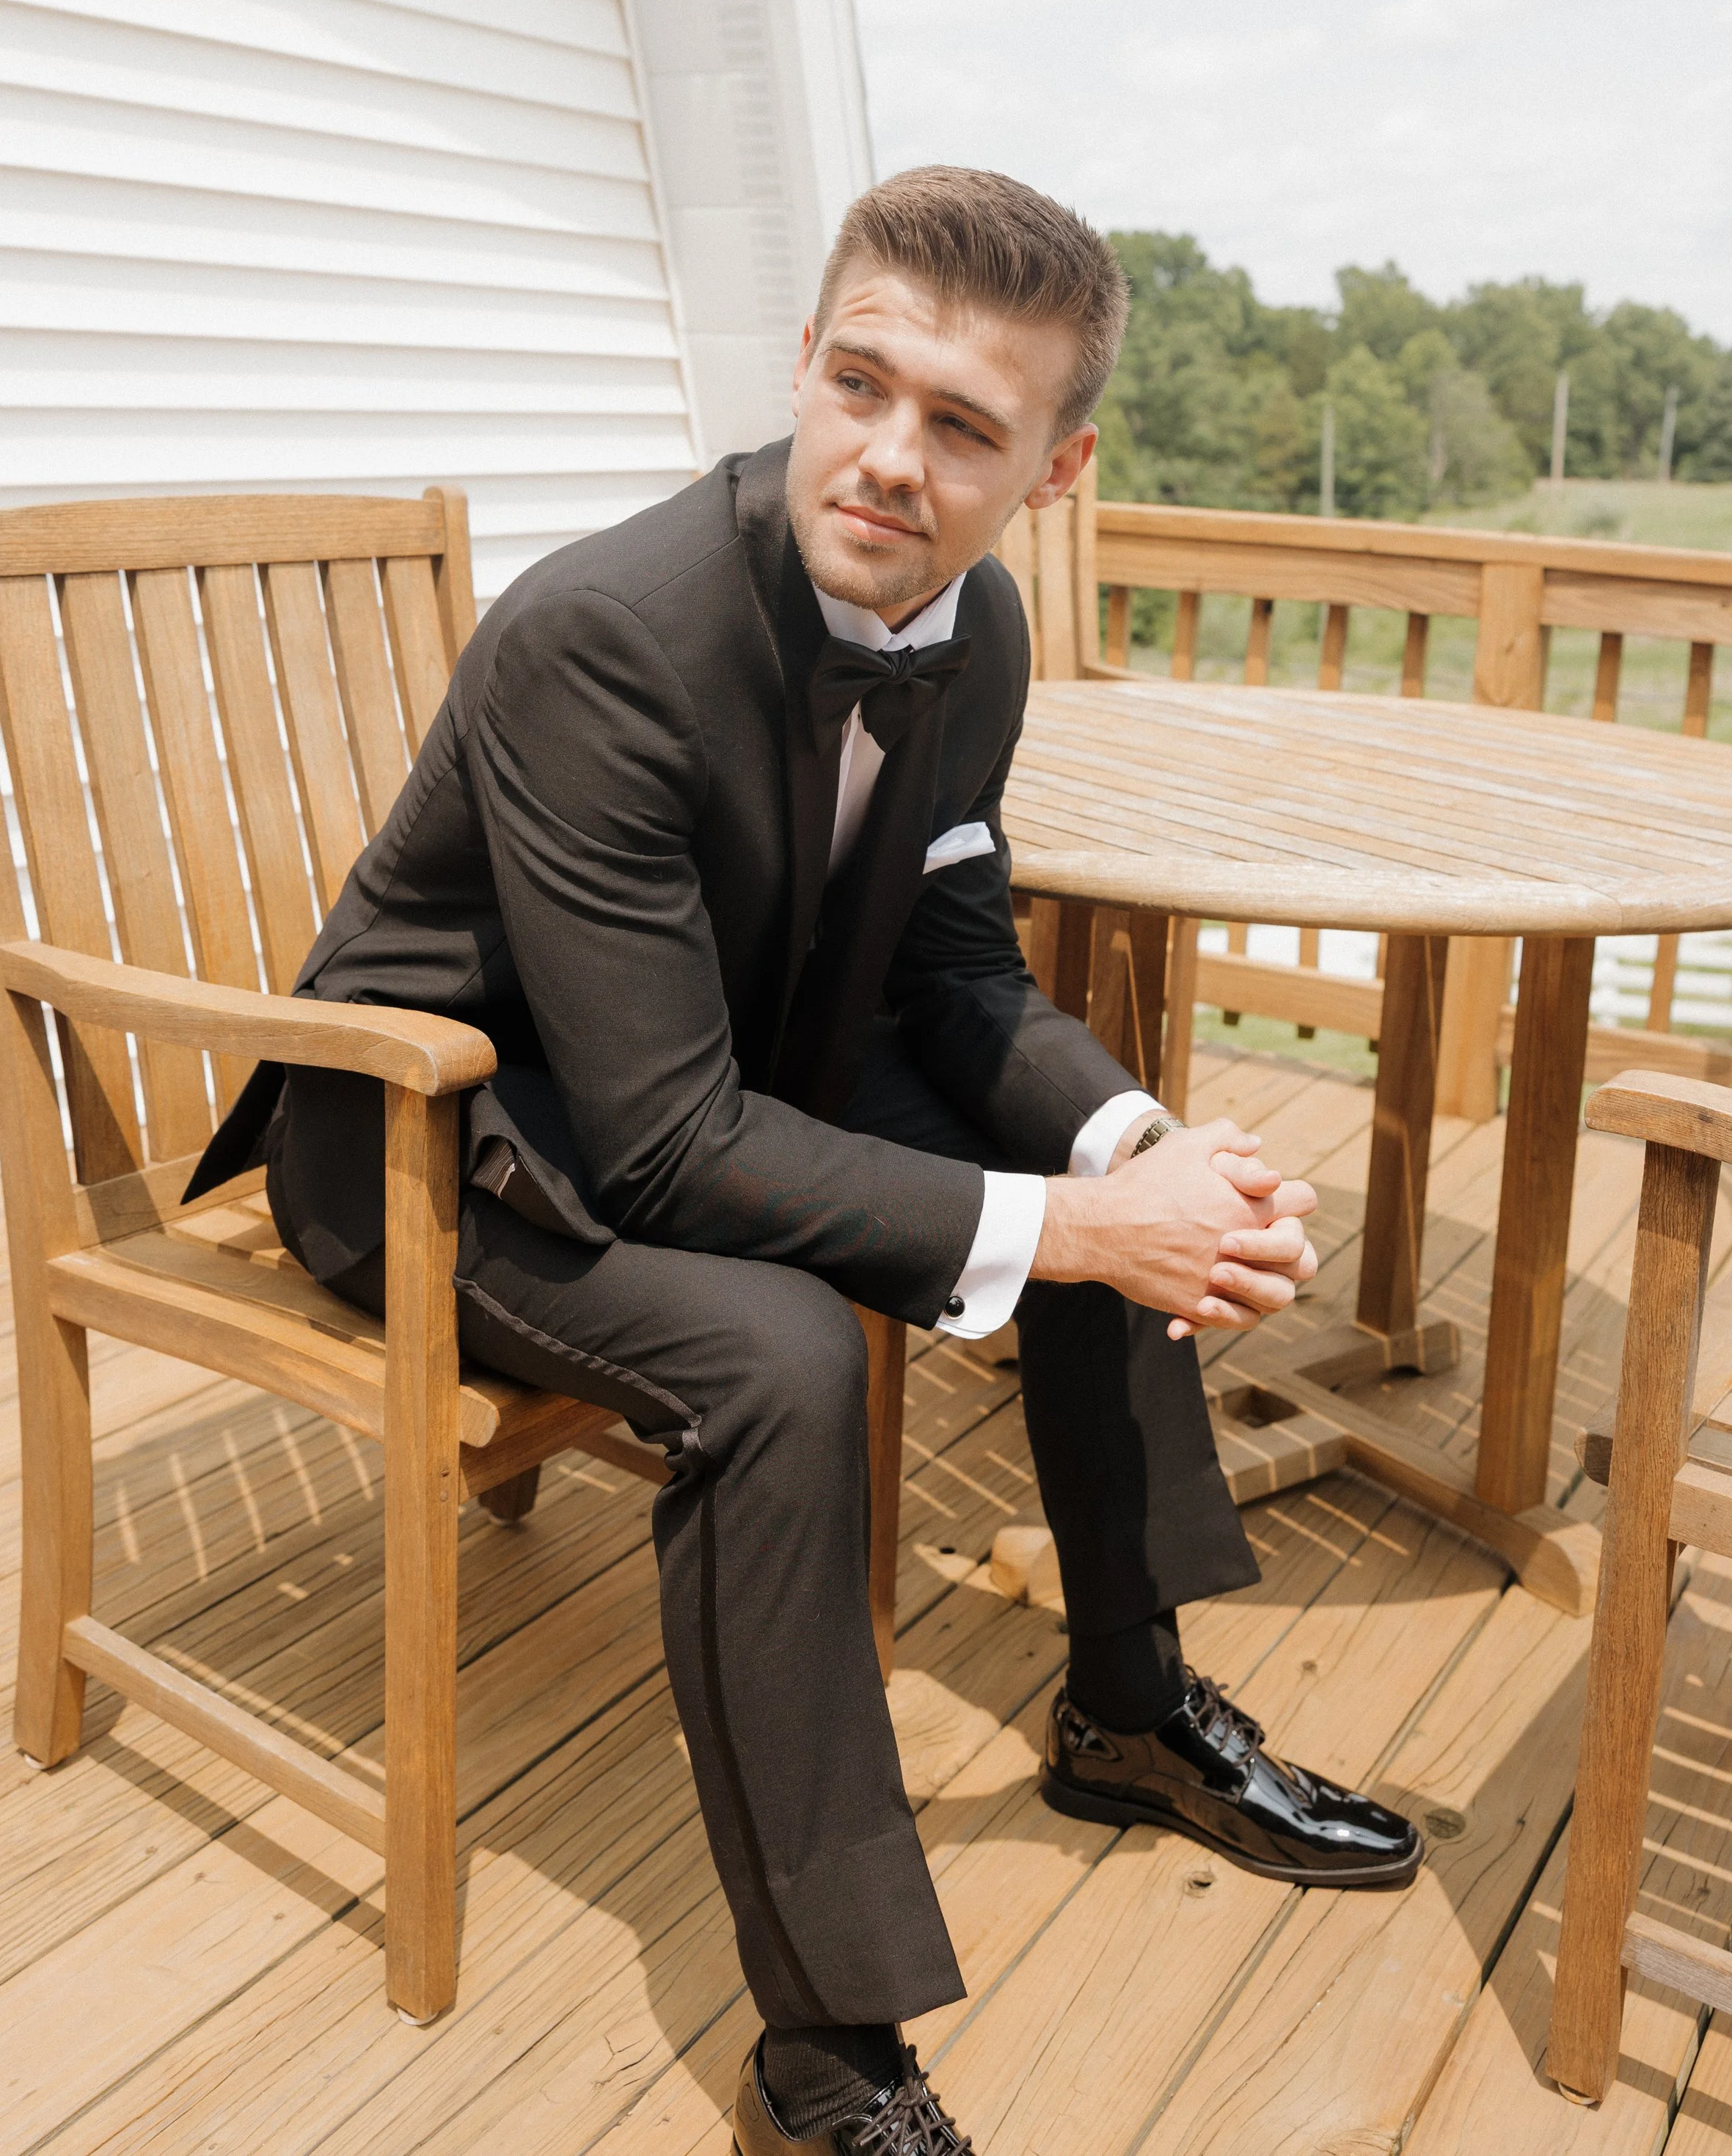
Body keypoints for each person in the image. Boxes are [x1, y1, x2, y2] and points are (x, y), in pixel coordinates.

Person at [190, 167, 1421, 2156]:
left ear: (1058, 463)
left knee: (1120, 1193)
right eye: (862, 386)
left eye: (962, 426)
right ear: (805, 362)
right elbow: (670, 1146)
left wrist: (1133, 1152)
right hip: (439, 1134)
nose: (888, 458)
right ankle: (828, 2035)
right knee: (777, 1357)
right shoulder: (601, 633)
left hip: (710, 1059)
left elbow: (945, 954)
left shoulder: (984, 629)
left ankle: (1124, 1702)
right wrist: (1076, 1217)